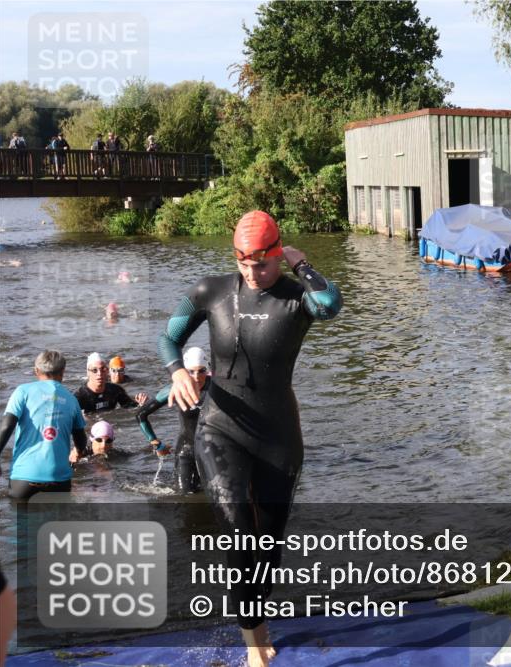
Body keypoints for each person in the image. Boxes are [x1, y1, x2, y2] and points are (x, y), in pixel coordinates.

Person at [159, 210, 341, 666]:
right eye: (243, 263)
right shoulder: (212, 290)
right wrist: (176, 370)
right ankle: (253, 642)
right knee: (240, 535)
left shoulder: (298, 298)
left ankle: (258, 619)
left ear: (278, 254)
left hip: (278, 435)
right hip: (219, 427)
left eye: (260, 264)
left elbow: (331, 304)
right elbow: (168, 337)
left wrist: (302, 264)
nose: (251, 273)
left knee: (268, 547)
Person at [0, 350, 88, 500]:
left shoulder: (22, 392)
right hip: (59, 481)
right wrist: (78, 451)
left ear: (36, 370)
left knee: (19, 515)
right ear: (63, 371)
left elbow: (7, 426)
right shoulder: (72, 400)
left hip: (24, 480)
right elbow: (80, 438)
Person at [136, 347, 210, 493]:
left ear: (207, 370)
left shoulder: (218, 387)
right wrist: (156, 444)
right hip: (186, 450)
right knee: (184, 496)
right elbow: (141, 415)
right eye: (191, 371)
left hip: (213, 451)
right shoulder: (175, 389)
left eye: (201, 371)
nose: (196, 377)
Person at [74, 353, 148, 414]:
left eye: (103, 369)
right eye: (94, 370)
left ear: (107, 371)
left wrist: (141, 404)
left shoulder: (115, 390)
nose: (99, 374)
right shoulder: (78, 398)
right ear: (88, 373)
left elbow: (131, 408)